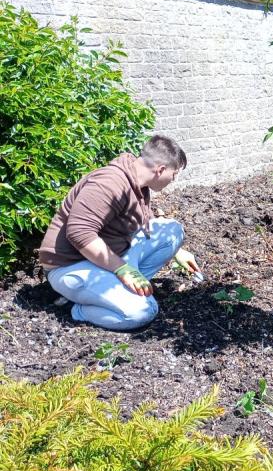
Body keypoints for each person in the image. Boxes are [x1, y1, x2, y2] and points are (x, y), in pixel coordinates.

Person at [39, 135, 199, 331]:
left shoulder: (139, 184)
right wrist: (123, 270)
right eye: (174, 175)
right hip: (71, 266)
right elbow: (79, 232)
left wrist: (176, 251)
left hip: (108, 256)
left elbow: (144, 223)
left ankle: (116, 293)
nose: (173, 180)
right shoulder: (108, 183)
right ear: (161, 170)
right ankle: (79, 308)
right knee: (143, 312)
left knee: (171, 231)